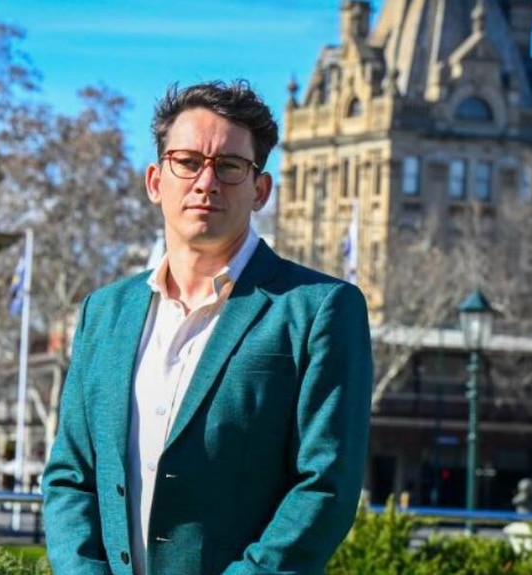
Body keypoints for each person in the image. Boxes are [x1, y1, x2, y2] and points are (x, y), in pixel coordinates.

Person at [42, 80, 373, 575]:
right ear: (156, 181)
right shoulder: (103, 313)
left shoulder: (319, 311)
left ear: (260, 190)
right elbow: (70, 476)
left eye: (230, 166)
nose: (206, 181)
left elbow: (325, 486)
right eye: (189, 161)